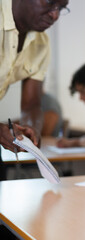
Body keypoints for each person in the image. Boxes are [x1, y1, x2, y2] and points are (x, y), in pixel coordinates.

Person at [0, 0, 69, 181]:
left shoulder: (41, 43)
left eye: (61, 8)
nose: (55, 15)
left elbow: (32, 104)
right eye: (50, 3)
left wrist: (31, 129)